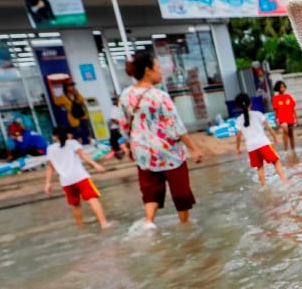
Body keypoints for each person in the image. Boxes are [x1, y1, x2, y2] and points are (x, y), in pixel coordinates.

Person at [117, 51, 204, 228]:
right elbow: (176, 128)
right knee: (180, 193)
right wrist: (194, 148)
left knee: (150, 192)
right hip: (168, 152)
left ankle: (149, 223)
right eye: (158, 68)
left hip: (143, 153)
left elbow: (123, 124)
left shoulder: (126, 95)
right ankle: (185, 226)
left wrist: (129, 146)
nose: (161, 72)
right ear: (148, 70)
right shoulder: (160, 96)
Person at [44, 126, 110, 228]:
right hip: (80, 177)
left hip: (66, 181)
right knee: (92, 199)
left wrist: (48, 183)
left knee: (75, 205)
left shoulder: (50, 149)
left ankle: (80, 226)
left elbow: (50, 167)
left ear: (53, 137)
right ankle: (104, 223)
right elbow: (83, 156)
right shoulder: (72, 143)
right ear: (67, 135)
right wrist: (96, 165)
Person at [235, 92, 288, 187]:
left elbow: (238, 136)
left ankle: (264, 186)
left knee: (259, 167)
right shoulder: (258, 114)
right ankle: (284, 181)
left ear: (238, 106)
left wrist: (238, 148)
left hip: (251, 147)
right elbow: (268, 127)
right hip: (263, 143)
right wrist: (275, 137)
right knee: (276, 161)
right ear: (250, 103)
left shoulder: (239, 120)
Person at [271, 80, 298, 153]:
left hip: (290, 118)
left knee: (291, 133)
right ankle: (286, 150)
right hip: (282, 119)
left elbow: (293, 109)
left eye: (283, 87)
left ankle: (293, 150)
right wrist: (276, 121)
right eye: (280, 87)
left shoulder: (289, 96)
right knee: (285, 131)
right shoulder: (275, 98)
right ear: (278, 88)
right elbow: (275, 111)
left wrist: (296, 119)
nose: (282, 89)